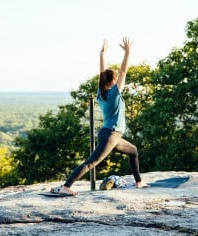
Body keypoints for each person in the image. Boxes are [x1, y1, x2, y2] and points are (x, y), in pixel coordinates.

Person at [51, 37, 149, 196]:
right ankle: (66, 186)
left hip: (113, 135)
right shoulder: (114, 94)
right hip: (111, 134)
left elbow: (102, 73)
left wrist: (102, 54)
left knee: (133, 151)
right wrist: (128, 53)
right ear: (114, 81)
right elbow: (123, 71)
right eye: (116, 79)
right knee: (91, 163)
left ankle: (139, 182)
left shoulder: (100, 93)